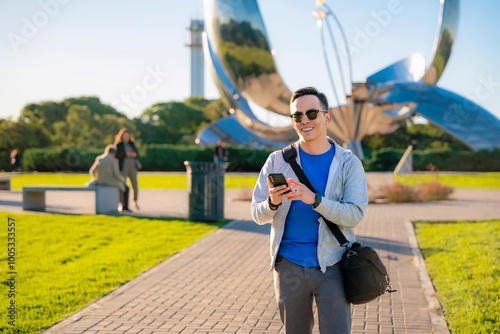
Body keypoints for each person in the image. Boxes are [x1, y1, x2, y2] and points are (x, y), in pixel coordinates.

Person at [251, 87, 368, 334]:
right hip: (288, 265)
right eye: (297, 115)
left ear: (327, 117)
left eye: (312, 113)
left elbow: (354, 215)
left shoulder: (348, 163)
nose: (305, 120)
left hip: (333, 263)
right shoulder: (277, 160)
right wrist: (272, 202)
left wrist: (315, 200)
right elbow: (257, 214)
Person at [89, 145, 131, 213]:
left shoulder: (100, 159)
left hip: (101, 181)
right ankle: (125, 207)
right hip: (111, 182)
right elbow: (116, 174)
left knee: (121, 188)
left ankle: (121, 205)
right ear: (114, 153)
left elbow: (92, 171)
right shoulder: (114, 161)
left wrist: (96, 178)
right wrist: (122, 179)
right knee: (126, 188)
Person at [114, 127, 140, 210]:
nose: (126, 137)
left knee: (135, 185)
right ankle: (121, 203)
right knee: (122, 185)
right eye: (125, 136)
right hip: (123, 167)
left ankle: (135, 202)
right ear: (121, 136)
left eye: (127, 136)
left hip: (133, 167)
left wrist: (134, 155)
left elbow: (138, 155)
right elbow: (116, 156)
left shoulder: (132, 144)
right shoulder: (119, 145)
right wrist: (126, 154)